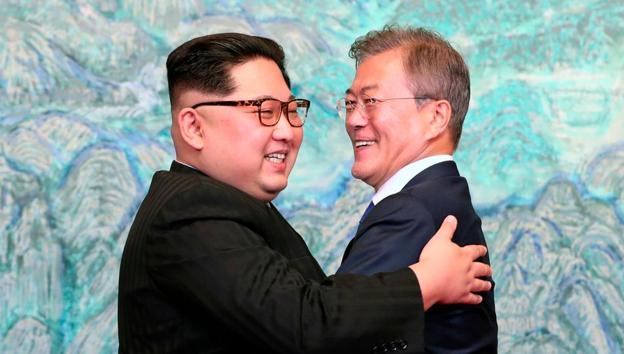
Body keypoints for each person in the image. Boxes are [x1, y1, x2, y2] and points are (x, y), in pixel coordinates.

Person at [118, 32, 492, 354]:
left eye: (291, 110)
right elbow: (309, 324)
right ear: (194, 128)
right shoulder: (189, 212)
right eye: (264, 110)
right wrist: (426, 281)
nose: (287, 130)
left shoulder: (235, 207)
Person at [336, 26, 498, 353]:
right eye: (351, 103)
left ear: (436, 117)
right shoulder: (438, 199)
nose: (353, 119)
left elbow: (330, 330)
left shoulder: (412, 212)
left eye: (370, 101)